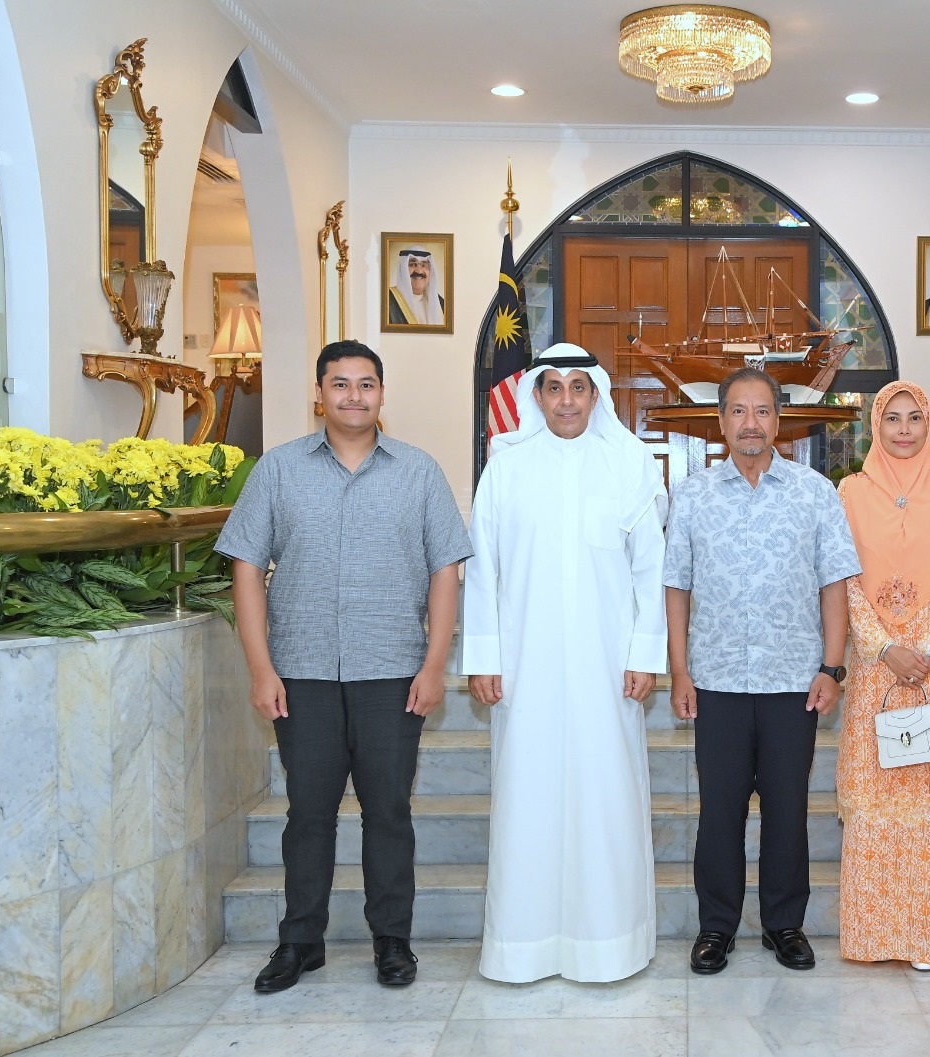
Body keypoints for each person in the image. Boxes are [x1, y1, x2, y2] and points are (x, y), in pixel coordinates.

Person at [217, 340, 472, 992]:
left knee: (388, 811)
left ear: (381, 395)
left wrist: (435, 662)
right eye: (340, 384)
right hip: (301, 672)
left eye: (365, 384)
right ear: (319, 394)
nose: (353, 395)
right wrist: (260, 667)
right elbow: (245, 568)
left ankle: (393, 942)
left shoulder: (418, 472)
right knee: (308, 813)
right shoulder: (277, 471)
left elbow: (448, 569)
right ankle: (301, 941)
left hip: (392, 671)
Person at [462, 342, 667, 983]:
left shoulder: (630, 465)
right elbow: (484, 570)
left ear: (596, 396)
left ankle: (611, 944)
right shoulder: (507, 469)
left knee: (606, 800)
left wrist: (644, 655)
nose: (567, 400)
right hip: (524, 668)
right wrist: (485, 657)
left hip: (608, 669)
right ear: (537, 397)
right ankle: (522, 949)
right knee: (528, 797)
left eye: (580, 388)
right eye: (555, 388)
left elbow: (650, 572)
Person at [663, 367, 861, 975]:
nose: (751, 424)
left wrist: (832, 667)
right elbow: (677, 588)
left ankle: (785, 923)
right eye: (739, 412)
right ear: (721, 422)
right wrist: (679, 671)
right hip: (717, 680)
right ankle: (716, 927)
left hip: (792, 684)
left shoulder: (814, 493)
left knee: (786, 810)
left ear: (780, 421)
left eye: (763, 412)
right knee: (719, 812)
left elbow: (836, 586)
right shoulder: (694, 494)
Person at [835, 381, 930, 971]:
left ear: (928, 423)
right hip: (876, 674)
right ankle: (875, 937)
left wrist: (920, 646)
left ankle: (929, 940)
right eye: (891, 418)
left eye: (913, 418)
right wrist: (884, 645)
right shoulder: (849, 492)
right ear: (875, 425)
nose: (902, 429)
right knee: (876, 804)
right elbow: (841, 574)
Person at [387, 246, 446, 326]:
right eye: (412, 264)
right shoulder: (388, 300)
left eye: (424, 265)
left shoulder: (441, 305)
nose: (419, 271)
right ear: (403, 269)